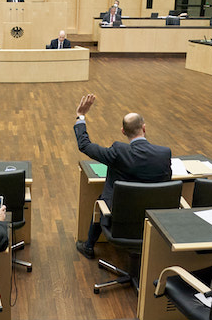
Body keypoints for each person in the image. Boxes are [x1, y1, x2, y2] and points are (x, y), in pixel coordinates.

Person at [73, 94, 172, 259]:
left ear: (123, 132)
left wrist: (81, 116)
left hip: (120, 221)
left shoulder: (118, 152)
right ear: (144, 128)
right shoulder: (164, 153)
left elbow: (85, 145)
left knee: (101, 200)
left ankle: (89, 246)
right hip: (154, 221)